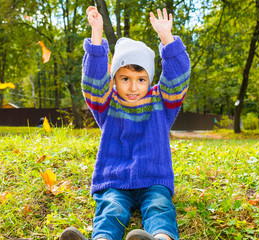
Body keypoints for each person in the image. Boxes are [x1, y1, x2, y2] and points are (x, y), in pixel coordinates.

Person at [60, 5, 190, 240]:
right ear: (114, 80)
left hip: (153, 178)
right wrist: (96, 33)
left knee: (159, 207)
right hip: (115, 179)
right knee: (110, 210)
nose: (133, 86)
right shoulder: (107, 103)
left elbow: (178, 77)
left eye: (141, 79)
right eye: (125, 78)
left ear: (150, 79)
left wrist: (166, 37)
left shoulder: (161, 102)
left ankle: (161, 238)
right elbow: (92, 81)